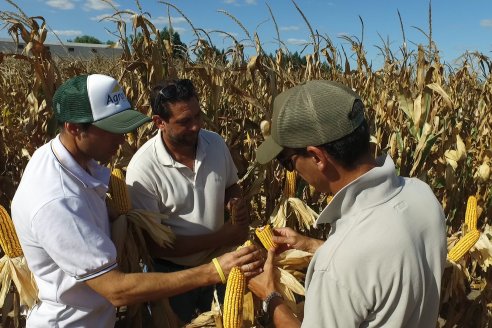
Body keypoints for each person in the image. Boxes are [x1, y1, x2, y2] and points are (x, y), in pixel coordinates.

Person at [11, 74, 262, 327]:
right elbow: (116, 290)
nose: (123, 139)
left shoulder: (67, 162)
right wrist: (214, 270)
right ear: (74, 128)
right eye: (112, 130)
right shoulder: (57, 200)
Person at [248, 80, 447, 327]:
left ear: (317, 157)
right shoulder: (422, 195)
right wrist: (309, 244)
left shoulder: (337, 266)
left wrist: (272, 297)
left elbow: (355, 265)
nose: (292, 171)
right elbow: (378, 264)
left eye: (287, 162)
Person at [125, 78, 250, 323]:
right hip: (172, 275)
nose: (196, 127)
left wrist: (235, 203)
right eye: (184, 122)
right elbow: (155, 245)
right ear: (159, 122)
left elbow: (230, 185)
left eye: (198, 116)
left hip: (222, 263)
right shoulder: (143, 169)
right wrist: (225, 236)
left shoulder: (214, 143)